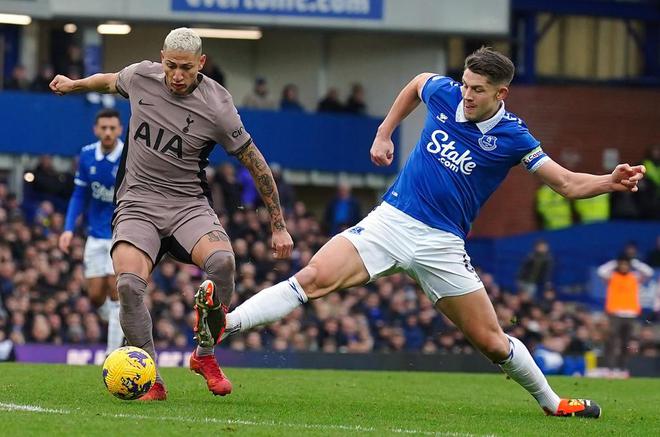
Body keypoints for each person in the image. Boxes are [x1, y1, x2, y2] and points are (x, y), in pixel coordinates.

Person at [222, 47, 647, 418]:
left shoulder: (514, 137)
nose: (467, 94)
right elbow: (417, 83)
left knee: (492, 343)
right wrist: (384, 132)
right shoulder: (445, 93)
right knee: (312, 278)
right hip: (392, 221)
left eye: (478, 89)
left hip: (442, 244)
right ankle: (224, 324)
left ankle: (553, 403)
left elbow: (566, 183)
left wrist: (608, 182)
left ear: (501, 93)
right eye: (465, 84)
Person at [50, 27, 293, 400]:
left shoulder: (218, 105)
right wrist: (74, 85)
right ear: (161, 59)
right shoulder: (141, 76)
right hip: (137, 203)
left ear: (201, 63)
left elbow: (254, 161)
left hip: (187, 204)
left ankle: (204, 355)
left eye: (186, 68)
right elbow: (109, 80)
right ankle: (151, 378)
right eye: (171, 66)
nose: (177, 75)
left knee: (223, 263)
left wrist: (278, 226)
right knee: (128, 286)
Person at [59, 109, 125, 356]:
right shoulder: (87, 155)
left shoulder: (128, 156)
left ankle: (112, 353)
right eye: (103, 128)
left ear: (119, 130)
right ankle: (120, 321)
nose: (108, 132)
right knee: (96, 296)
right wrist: (68, 229)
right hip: (95, 235)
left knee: (115, 290)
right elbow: (79, 194)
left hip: (121, 234)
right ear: (96, 130)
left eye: (112, 128)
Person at [597, 254, 653, 371]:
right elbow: (601, 271)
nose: (623, 266)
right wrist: (615, 262)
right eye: (621, 264)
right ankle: (609, 367)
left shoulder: (634, 277)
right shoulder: (612, 276)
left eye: (626, 264)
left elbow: (649, 272)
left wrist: (634, 262)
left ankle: (622, 367)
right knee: (611, 340)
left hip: (630, 314)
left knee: (626, 342)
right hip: (615, 314)